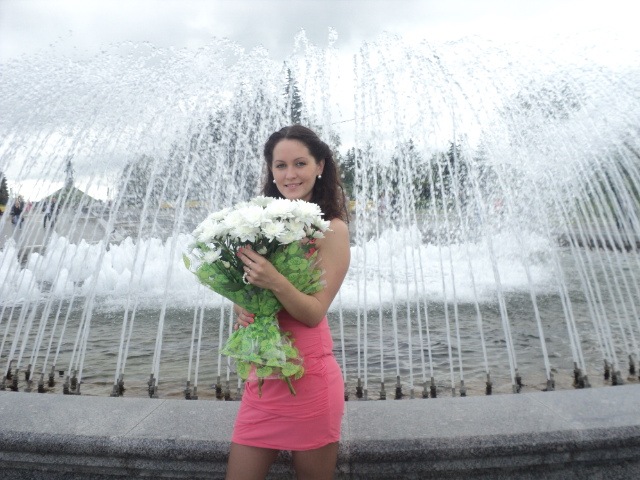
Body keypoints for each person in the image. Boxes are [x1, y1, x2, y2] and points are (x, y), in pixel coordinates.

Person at [226, 125, 350, 480]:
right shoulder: (260, 225)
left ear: (319, 166)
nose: (290, 174)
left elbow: (313, 313)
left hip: (309, 376)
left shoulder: (331, 229)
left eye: (300, 163)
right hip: (264, 376)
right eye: (280, 165)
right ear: (271, 170)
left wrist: (274, 280)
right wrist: (243, 306)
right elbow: (251, 291)